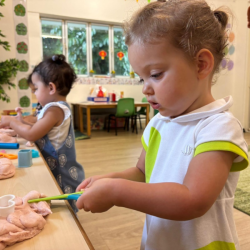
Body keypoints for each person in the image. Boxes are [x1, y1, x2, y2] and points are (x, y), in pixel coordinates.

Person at [75, 0, 248, 249]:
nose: (145, 88)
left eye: (155, 74)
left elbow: (193, 199)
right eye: (141, 77)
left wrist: (116, 191)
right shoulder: (159, 123)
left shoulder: (219, 127)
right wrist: (107, 179)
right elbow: (142, 174)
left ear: (201, 64)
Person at [0, 54, 85, 213]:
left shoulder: (56, 110)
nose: (35, 94)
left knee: (65, 210)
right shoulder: (50, 109)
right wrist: (19, 120)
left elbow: (32, 134)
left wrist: (12, 122)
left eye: (36, 89)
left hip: (62, 173)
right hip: (54, 168)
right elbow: (35, 121)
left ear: (51, 88)